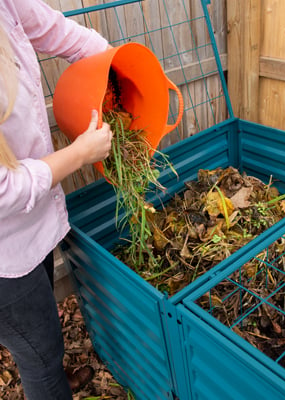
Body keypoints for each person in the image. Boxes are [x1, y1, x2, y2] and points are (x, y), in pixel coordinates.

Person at [0, 0, 113, 399]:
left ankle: (47, 370)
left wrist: (113, 61)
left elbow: (57, 31)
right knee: (39, 356)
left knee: (41, 328)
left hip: (29, 229)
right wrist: (80, 154)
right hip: (4, 258)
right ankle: (47, 380)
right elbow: (4, 190)